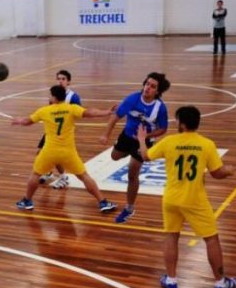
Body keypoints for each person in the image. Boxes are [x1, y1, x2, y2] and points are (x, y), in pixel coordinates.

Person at [137, 105, 236, 288]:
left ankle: (172, 279)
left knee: (171, 236)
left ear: (181, 123)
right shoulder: (206, 144)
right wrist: (229, 171)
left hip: (171, 199)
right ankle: (220, 282)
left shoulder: (169, 142)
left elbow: (145, 156)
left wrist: (142, 139)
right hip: (195, 200)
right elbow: (217, 173)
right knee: (211, 239)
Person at [12, 85, 117, 213]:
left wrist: (19, 121)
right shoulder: (71, 108)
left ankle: (27, 201)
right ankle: (102, 202)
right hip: (68, 152)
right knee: (84, 176)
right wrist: (106, 112)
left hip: (49, 152)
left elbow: (28, 121)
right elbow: (90, 112)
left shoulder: (44, 111)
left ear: (54, 97)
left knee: (35, 175)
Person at [99, 72, 171, 223]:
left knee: (133, 174)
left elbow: (163, 129)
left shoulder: (160, 108)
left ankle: (129, 208)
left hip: (143, 141)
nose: (148, 88)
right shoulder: (132, 99)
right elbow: (115, 117)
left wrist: (145, 137)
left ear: (158, 91)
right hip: (127, 135)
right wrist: (106, 135)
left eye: (152, 86)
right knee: (114, 156)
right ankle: (127, 152)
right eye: (147, 84)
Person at [38, 70, 82, 189]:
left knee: (55, 155)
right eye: (59, 79)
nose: (60, 81)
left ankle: (63, 177)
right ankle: (48, 172)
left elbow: (78, 113)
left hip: (63, 131)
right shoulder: (55, 95)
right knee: (40, 151)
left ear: (69, 82)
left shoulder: (73, 97)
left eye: (63, 79)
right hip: (52, 129)